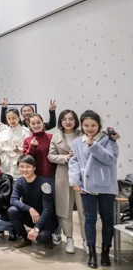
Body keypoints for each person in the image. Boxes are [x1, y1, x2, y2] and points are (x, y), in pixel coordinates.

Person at [69, 110, 119, 268]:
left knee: (107, 219)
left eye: (93, 125)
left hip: (106, 186)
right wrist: (75, 181)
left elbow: (110, 159)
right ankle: (92, 254)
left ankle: (105, 252)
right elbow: (74, 162)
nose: (89, 128)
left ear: (99, 125)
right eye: (86, 125)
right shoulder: (77, 142)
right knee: (89, 219)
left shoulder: (108, 140)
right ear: (81, 125)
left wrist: (94, 145)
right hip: (87, 186)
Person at [48, 109, 85, 254]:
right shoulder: (56, 136)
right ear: (60, 121)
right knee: (64, 209)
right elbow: (51, 156)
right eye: (64, 119)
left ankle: (86, 240)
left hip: (82, 177)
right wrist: (66, 158)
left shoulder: (83, 134)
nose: (68, 122)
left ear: (76, 120)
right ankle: (69, 238)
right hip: (63, 176)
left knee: (84, 210)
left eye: (71, 119)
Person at [8, 155, 59, 250]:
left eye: (28, 167)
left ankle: (49, 238)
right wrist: (30, 209)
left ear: (34, 168)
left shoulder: (44, 184)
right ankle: (24, 238)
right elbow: (13, 200)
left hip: (46, 221)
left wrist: (37, 228)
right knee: (12, 210)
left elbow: (48, 209)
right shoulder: (19, 181)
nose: (24, 170)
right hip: (32, 217)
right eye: (21, 167)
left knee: (41, 238)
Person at [0, 108, 31, 179]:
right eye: (9, 118)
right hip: (4, 166)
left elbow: (29, 150)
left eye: (14, 118)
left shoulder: (25, 132)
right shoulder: (2, 132)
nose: (11, 121)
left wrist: (20, 149)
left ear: (19, 117)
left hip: (19, 165)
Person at [22, 114, 56, 179]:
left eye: (38, 122)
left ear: (43, 123)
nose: (36, 125)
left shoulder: (52, 137)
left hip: (52, 174)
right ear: (29, 125)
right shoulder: (27, 140)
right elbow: (26, 159)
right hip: (34, 176)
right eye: (33, 124)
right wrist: (32, 147)